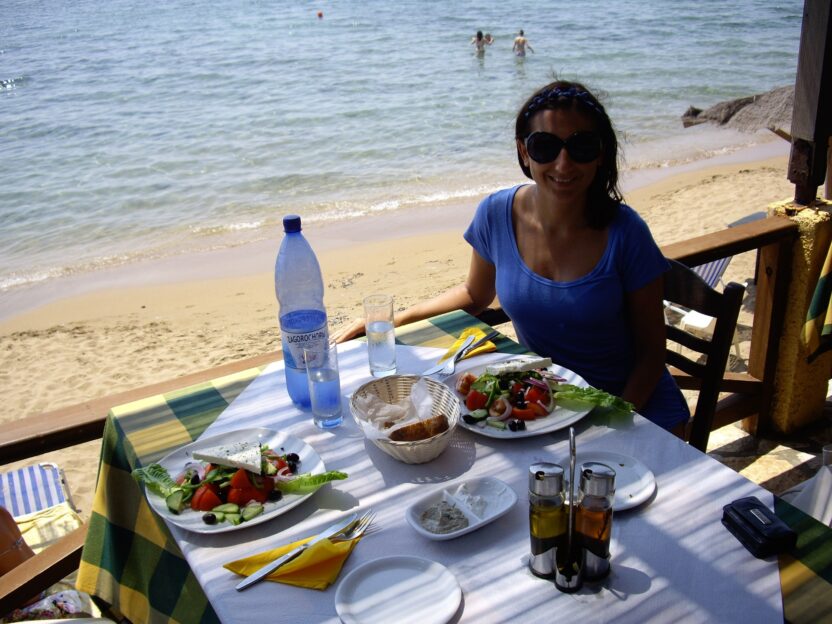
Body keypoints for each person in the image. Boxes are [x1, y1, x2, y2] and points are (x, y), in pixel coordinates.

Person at [334, 80, 690, 433]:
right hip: (548, 408)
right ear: (524, 152)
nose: (563, 164)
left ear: (600, 153)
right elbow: (475, 295)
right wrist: (393, 322)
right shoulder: (496, 214)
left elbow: (650, 355)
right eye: (545, 146)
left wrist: (613, 421)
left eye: (581, 146)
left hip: (636, 412)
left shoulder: (627, 233)